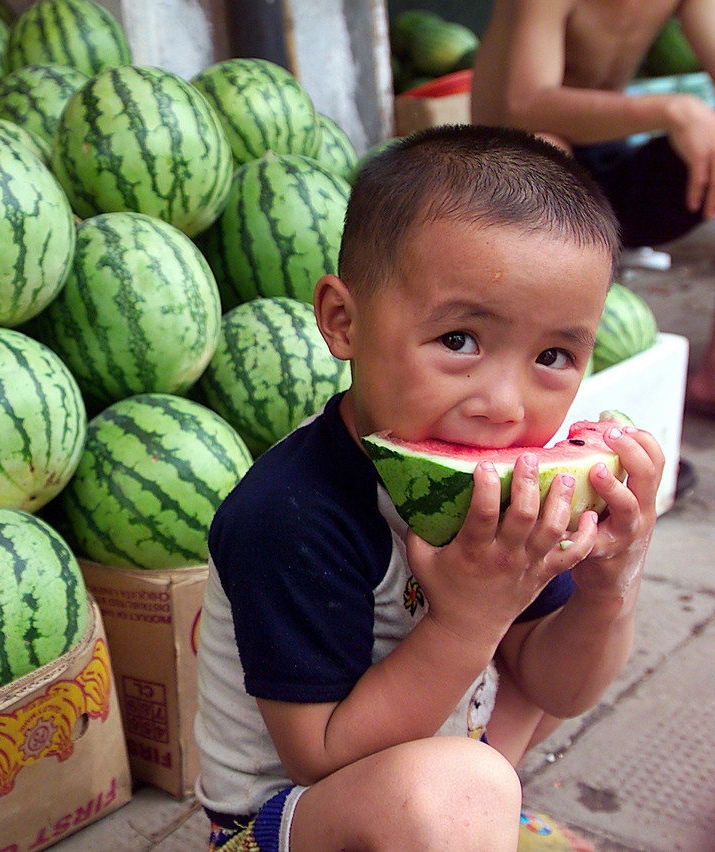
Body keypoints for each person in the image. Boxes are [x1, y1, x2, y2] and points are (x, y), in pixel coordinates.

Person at [194, 124, 665, 851]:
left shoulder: (510, 490)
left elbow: (558, 689)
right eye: (460, 341)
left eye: (553, 354)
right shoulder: (287, 517)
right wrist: (470, 618)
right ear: (342, 321)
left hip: (437, 787)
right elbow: (317, 753)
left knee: (479, 772)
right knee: (461, 789)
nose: (504, 405)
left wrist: (610, 584)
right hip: (288, 824)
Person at [470, 0, 715, 414]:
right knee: (548, 147)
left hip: (607, 155)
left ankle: (709, 384)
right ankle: (527, 384)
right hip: (510, 176)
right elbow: (525, 104)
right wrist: (673, 109)